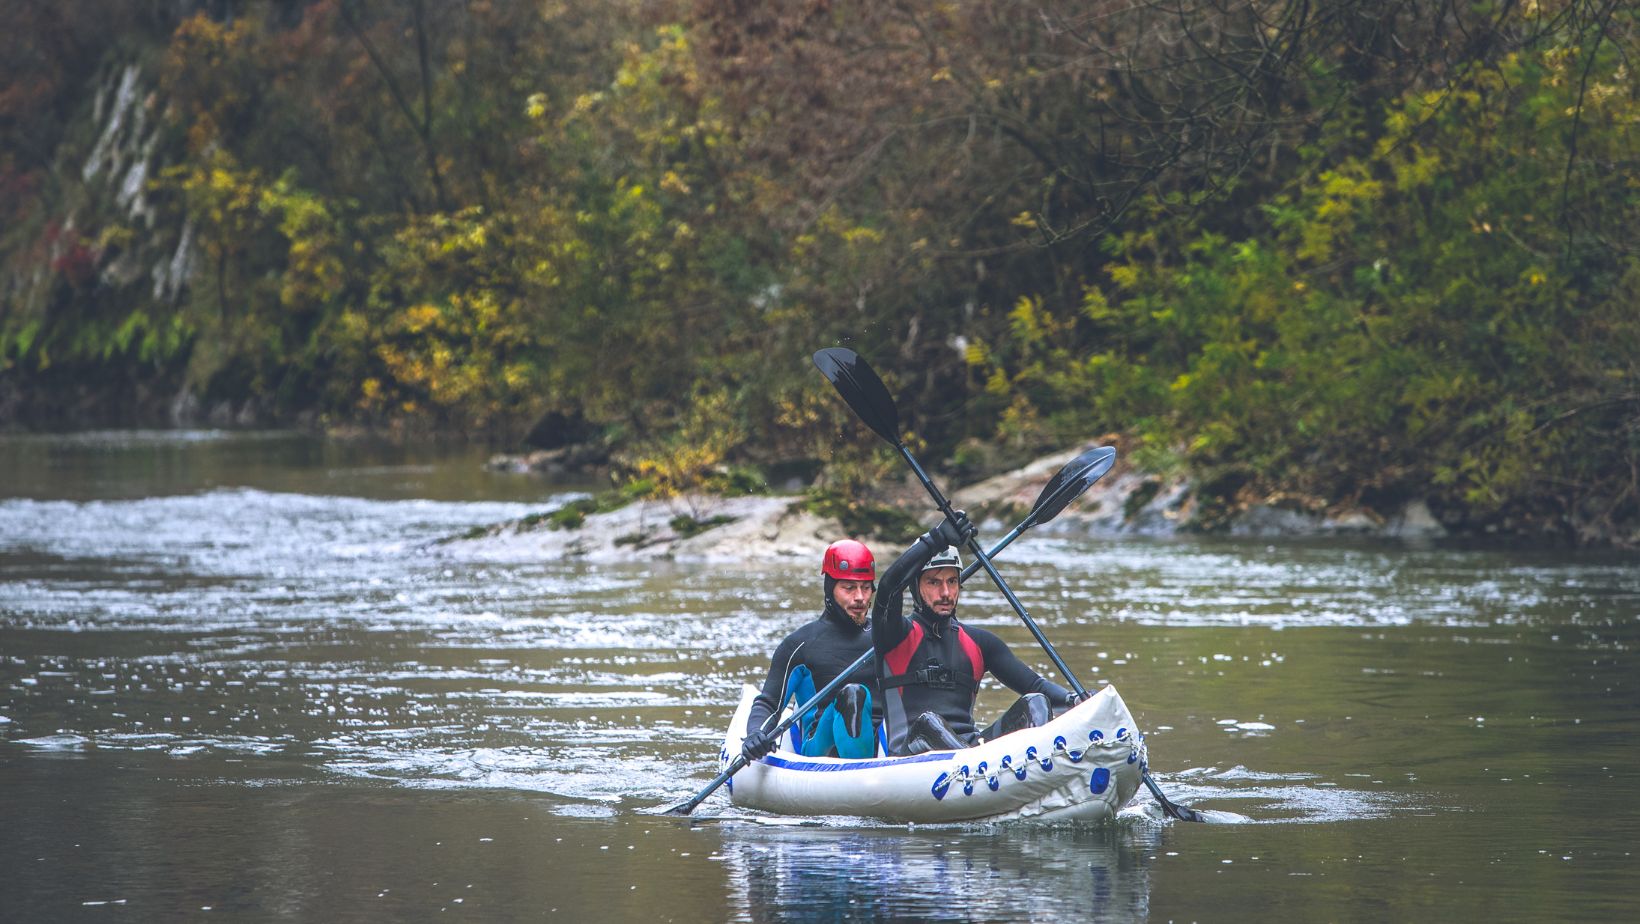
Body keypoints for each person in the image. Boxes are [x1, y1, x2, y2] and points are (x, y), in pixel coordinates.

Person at [871, 512, 1078, 755]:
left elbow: (1035, 684)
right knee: (928, 723)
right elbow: (887, 589)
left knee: (1034, 703)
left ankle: (1041, 767)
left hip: (972, 751)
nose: (946, 592)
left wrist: (1074, 700)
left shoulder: (980, 643)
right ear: (915, 588)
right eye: (934, 582)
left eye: (952, 581)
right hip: (911, 755)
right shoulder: (895, 636)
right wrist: (936, 539)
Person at [740, 539, 880, 762]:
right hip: (820, 749)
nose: (860, 598)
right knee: (853, 694)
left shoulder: (885, 636)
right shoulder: (800, 645)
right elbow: (769, 703)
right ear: (830, 588)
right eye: (849, 588)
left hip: (880, 748)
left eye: (865, 587)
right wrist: (755, 734)